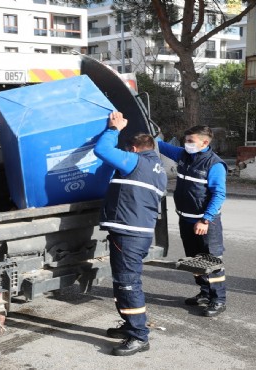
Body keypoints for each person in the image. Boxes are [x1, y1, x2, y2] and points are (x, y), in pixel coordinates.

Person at [94, 111, 167, 356]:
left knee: (127, 284)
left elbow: (102, 151)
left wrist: (114, 129)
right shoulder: (159, 169)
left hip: (129, 234)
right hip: (139, 232)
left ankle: (139, 336)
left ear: (134, 149)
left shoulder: (135, 161)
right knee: (125, 282)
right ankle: (129, 325)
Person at [157, 125, 228, 317]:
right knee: (195, 261)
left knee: (211, 260)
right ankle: (204, 293)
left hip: (205, 223)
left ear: (205, 142)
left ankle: (218, 300)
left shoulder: (214, 165)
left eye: (190, 141)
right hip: (186, 219)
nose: (186, 144)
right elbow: (159, 145)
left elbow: (219, 194)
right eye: (185, 140)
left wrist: (205, 220)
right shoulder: (183, 155)